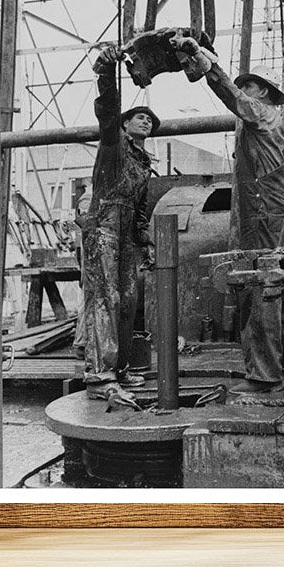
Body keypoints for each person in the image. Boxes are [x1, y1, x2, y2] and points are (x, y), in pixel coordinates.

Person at [184, 43, 284, 393]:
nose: (244, 94)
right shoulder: (267, 123)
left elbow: (232, 96)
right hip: (277, 211)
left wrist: (206, 65)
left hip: (267, 212)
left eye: (248, 87)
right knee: (280, 279)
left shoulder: (263, 115)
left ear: (262, 92)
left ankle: (264, 373)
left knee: (261, 282)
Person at [76, 43, 159, 400]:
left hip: (126, 233)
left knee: (127, 300)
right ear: (125, 124)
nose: (146, 121)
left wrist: (145, 242)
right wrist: (107, 74)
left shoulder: (143, 163)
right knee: (104, 299)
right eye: (140, 117)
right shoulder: (114, 145)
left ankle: (119, 369)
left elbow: (141, 210)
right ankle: (99, 376)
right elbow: (107, 113)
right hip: (105, 226)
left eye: (150, 121)